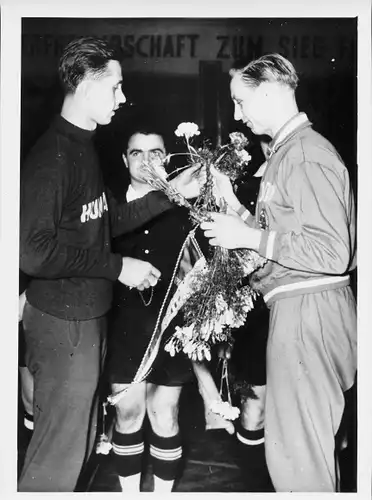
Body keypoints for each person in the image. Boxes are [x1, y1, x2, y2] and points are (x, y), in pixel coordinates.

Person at [19, 36, 201, 492]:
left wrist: (170, 192)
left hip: (86, 318)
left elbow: (108, 220)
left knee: (77, 446)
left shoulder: (84, 147)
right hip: (65, 321)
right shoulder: (53, 156)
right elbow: (32, 250)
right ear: (84, 85)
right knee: (59, 453)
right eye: (116, 88)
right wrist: (118, 267)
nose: (123, 98)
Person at [201, 53, 357, 492]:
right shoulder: (292, 154)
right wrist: (234, 209)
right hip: (300, 309)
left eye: (240, 102)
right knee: (298, 453)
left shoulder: (305, 154)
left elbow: (330, 252)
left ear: (268, 94)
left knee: (298, 461)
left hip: (308, 310)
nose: (237, 115)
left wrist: (249, 238)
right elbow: (290, 238)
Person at [107, 123, 209, 493]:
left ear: (168, 159)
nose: (147, 161)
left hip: (172, 328)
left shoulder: (187, 209)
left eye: (156, 153)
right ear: (124, 159)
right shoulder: (109, 209)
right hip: (122, 328)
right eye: (137, 152)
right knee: (128, 414)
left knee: (164, 416)